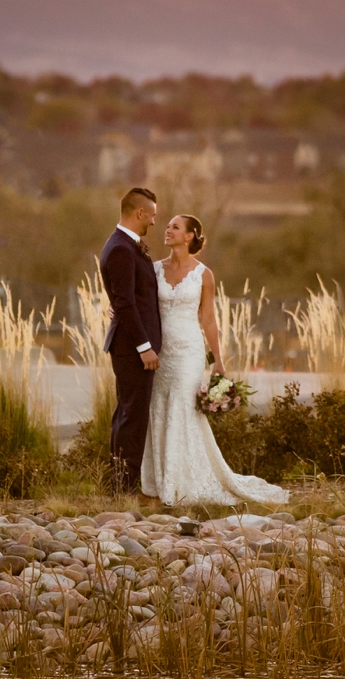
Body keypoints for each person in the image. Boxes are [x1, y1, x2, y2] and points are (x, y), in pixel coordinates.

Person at [140, 214, 289, 508]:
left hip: (189, 352)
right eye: (167, 226)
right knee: (158, 410)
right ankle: (158, 483)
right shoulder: (154, 269)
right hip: (161, 352)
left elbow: (208, 318)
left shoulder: (203, 274)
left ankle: (183, 483)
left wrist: (217, 360)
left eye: (175, 227)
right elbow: (138, 302)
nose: (167, 230)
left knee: (184, 410)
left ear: (190, 236)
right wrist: (114, 310)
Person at [100, 187, 163, 499]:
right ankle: (125, 488)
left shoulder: (126, 245)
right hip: (131, 348)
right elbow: (125, 303)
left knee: (127, 414)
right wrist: (144, 347)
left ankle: (119, 484)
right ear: (139, 213)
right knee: (132, 417)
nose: (153, 221)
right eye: (151, 215)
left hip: (129, 345)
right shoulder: (122, 249)